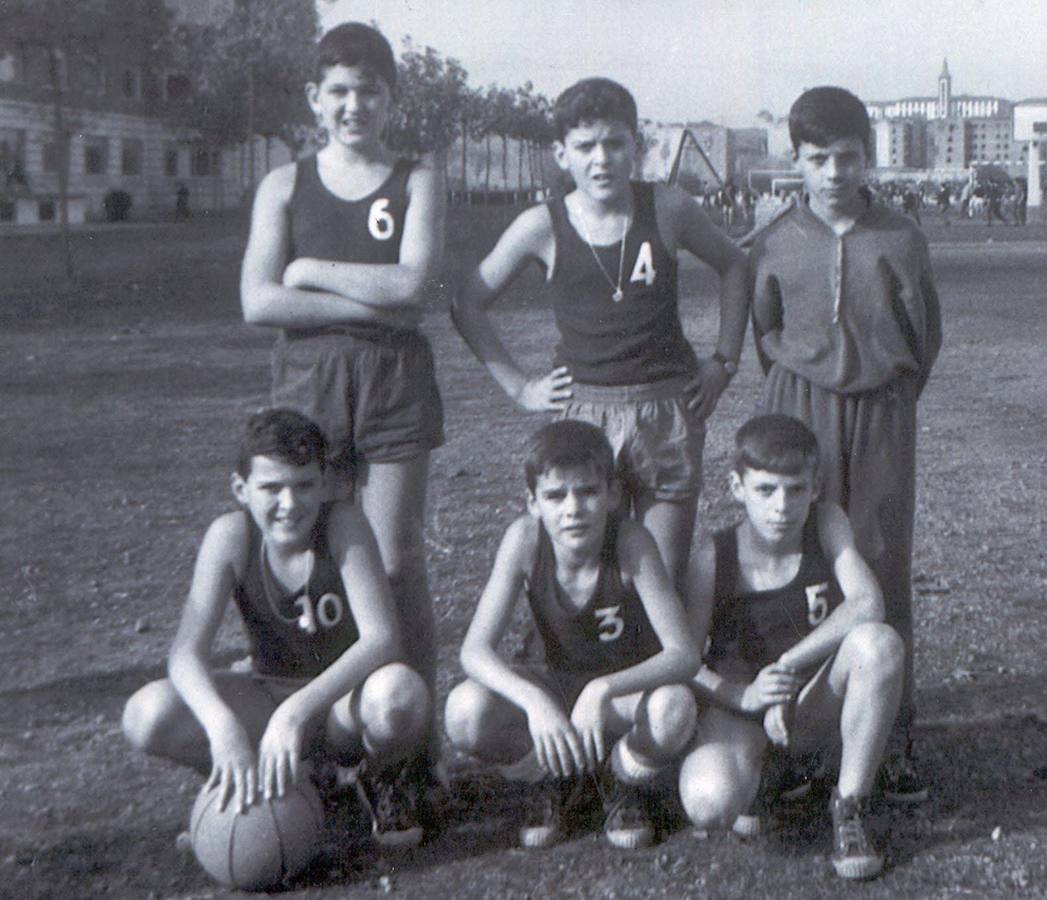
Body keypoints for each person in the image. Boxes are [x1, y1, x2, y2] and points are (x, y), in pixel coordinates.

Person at [238, 22, 445, 823]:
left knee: (394, 564)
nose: (354, 105)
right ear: (313, 100)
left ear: (392, 99)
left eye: (370, 91)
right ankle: (322, 742)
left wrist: (308, 269)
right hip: (309, 380)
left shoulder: (417, 179)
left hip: (393, 382)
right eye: (339, 92)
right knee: (310, 557)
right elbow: (258, 301)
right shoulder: (284, 186)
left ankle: (410, 759)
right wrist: (375, 294)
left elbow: (417, 285)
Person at [452, 77, 748, 587]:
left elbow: (735, 265)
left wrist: (724, 362)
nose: (602, 159)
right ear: (562, 154)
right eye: (586, 146)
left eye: (615, 143)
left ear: (637, 146)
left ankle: (664, 665)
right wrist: (519, 386)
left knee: (661, 573)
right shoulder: (540, 225)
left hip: (666, 408)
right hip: (583, 410)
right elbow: (468, 303)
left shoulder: (668, 208)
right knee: (589, 571)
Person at [745, 86, 942, 804]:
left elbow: (924, 338)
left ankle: (892, 731)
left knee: (880, 557)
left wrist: (881, 395)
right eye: (818, 158)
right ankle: (796, 730)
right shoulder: (770, 240)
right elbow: (765, 335)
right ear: (796, 160)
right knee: (803, 562)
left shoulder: (900, 236)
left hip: (882, 410)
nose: (834, 172)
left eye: (848, 157)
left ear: (868, 156)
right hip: (800, 404)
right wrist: (807, 391)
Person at [120, 410, 433, 846]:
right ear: (241, 490)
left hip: (339, 706)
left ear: (324, 483)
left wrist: (295, 713)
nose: (289, 504)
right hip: (266, 698)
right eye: (271, 488)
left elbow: (381, 639)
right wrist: (223, 729)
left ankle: (379, 780)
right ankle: (239, 779)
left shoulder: (343, 525)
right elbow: (185, 654)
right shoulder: (230, 536)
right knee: (146, 714)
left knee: (398, 694)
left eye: (303, 485)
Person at [444, 420, 699, 850]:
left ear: (613, 495)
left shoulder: (631, 542)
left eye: (587, 492)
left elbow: (683, 654)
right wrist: (534, 701)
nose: (572, 509)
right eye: (555, 495)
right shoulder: (525, 540)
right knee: (465, 711)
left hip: (617, 694)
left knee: (675, 707)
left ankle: (619, 779)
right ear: (532, 502)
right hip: (553, 689)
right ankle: (552, 778)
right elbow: (474, 651)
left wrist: (603, 689)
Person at [678, 415, 904, 880]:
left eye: (796, 489)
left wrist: (784, 669)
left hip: (807, 699)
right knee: (709, 804)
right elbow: (682, 664)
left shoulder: (826, 524)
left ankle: (850, 806)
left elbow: (867, 604)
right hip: (741, 708)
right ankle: (770, 777)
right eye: (766, 490)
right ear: (737, 487)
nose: (782, 506)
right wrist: (743, 695)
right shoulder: (712, 560)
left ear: (815, 487)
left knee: (878, 646)